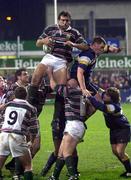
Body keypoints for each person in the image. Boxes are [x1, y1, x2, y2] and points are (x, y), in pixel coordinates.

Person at [28, 10, 89, 107]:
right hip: (49, 57)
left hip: (62, 61)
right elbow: (37, 42)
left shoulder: (74, 32)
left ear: (70, 21)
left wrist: (73, 44)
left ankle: (57, 118)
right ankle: (29, 105)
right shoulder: (50, 29)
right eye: (63, 20)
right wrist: (44, 41)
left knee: (61, 90)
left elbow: (86, 46)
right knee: (35, 79)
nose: (65, 22)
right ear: (58, 20)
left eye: (67, 21)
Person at [47, 68, 95, 180]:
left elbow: (54, 85)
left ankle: (73, 175)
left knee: (66, 153)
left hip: (74, 125)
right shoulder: (83, 93)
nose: (67, 84)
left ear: (73, 84)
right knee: (60, 153)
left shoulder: (71, 91)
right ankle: (54, 176)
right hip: (75, 124)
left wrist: (50, 74)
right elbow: (92, 107)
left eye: (68, 83)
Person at [88, 87, 131, 178]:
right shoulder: (107, 98)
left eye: (107, 95)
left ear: (111, 98)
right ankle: (128, 169)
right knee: (115, 151)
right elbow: (98, 89)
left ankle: (129, 171)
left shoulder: (114, 107)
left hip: (123, 129)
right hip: (113, 129)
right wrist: (87, 84)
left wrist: (89, 97)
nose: (104, 95)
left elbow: (100, 106)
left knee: (120, 151)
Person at [0, 87, 40, 180]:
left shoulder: (7, 105)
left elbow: (1, 119)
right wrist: (31, 141)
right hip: (17, 137)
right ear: (26, 95)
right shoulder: (30, 108)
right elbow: (34, 128)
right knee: (28, 166)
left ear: (15, 95)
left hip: (3, 135)